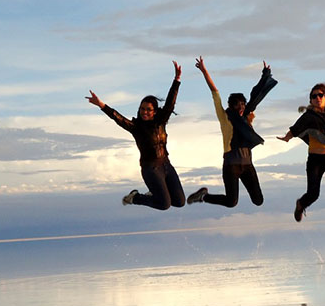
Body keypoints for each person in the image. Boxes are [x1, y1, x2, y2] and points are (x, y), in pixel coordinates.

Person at [86, 61, 186, 209]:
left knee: (179, 202)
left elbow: (170, 103)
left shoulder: (161, 122)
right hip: (151, 169)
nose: (144, 112)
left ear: (155, 111)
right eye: (142, 109)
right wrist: (101, 105)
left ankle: (154, 193)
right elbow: (117, 118)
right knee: (164, 205)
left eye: (148, 109)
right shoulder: (136, 127)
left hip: (166, 164)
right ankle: (135, 198)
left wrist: (177, 80)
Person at [186, 57, 278, 208]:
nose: (241, 107)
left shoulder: (247, 117)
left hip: (248, 165)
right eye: (237, 105)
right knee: (231, 202)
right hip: (231, 166)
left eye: (242, 104)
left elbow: (257, 94)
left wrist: (265, 74)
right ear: (231, 106)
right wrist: (204, 71)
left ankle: (203, 196)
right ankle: (203, 196)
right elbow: (215, 92)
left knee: (258, 201)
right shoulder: (225, 117)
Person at [277, 84, 325, 222]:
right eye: (314, 96)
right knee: (313, 194)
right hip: (315, 159)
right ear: (311, 100)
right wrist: (287, 138)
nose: (317, 98)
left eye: (320, 95)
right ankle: (300, 205)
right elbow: (295, 129)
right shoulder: (308, 117)